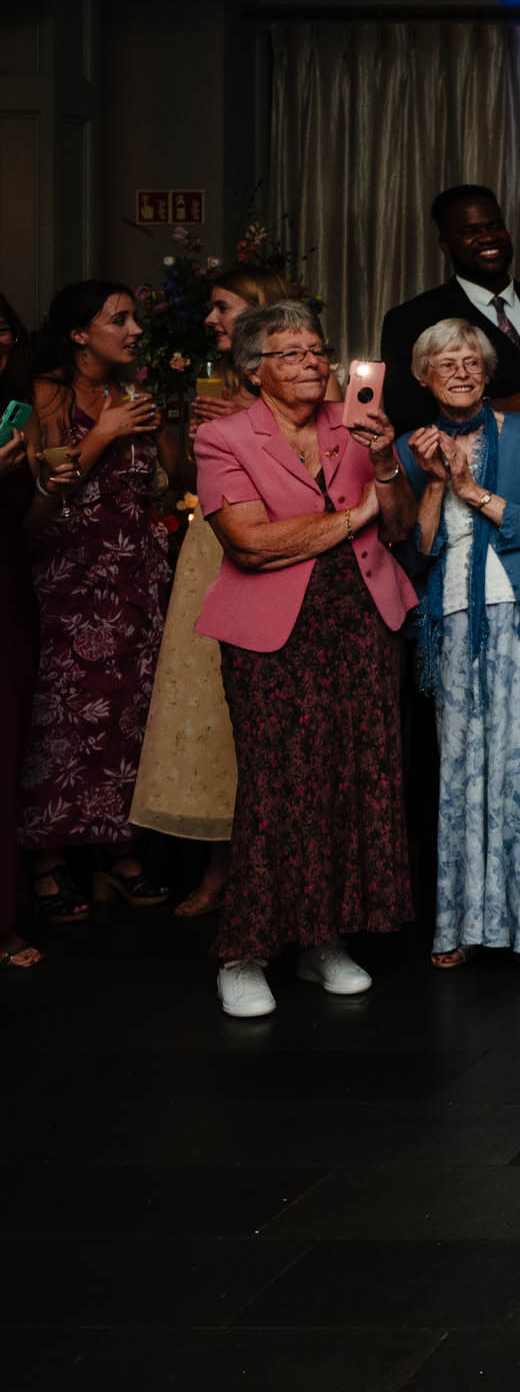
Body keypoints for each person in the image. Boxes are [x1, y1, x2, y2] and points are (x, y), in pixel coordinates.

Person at [192, 300, 419, 1017]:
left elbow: (405, 526)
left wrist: (386, 462)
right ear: (253, 368)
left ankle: (323, 942)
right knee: (277, 786)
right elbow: (251, 543)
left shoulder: (352, 424)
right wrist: (358, 516)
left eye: (319, 350)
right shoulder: (222, 436)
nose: (313, 363)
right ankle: (244, 952)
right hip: (272, 634)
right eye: (291, 352)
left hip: (361, 624)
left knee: (356, 781)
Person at [395, 319, 520, 968]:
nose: (462, 370)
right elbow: (413, 552)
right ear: (423, 375)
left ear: (488, 370)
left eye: (472, 359)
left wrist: (475, 491)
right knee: (461, 773)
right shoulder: (406, 446)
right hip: (452, 619)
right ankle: (464, 923)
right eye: (446, 361)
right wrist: (438, 481)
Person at [130, 266, 302, 918]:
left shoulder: (298, 383)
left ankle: (280, 868)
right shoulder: (213, 380)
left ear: (257, 314)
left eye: (221, 307)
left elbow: (314, 470)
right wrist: (170, 435)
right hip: (210, 549)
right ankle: (220, 866)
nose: (210, 320)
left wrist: (250, 425)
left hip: (271, 549)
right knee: (212, 710)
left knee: (268, 715)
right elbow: (188, 479)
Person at [20, 281, 187, 919]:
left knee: (130, 719)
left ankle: (119, 854)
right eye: (119, 320)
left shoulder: (134, 395)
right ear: (79, 334)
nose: (136, 330)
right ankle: (50, 860)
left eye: (135, 318)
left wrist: (165, 426)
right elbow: (38, 507)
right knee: (61, 723)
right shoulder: (45, 397)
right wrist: (103, 432)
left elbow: (176, 484)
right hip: (69, 581)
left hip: (137, 581)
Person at [380, 185, 520, 438]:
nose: (488, 237)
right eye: (470, 231)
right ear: (445, 244)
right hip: (472, 469)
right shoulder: (410, 319)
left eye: (495, 226)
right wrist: (492, 409)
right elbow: (405, 413)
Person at [0, 294, 49, 968]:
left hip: (6, 582)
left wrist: (46, 484)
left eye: (4, 335)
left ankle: (3, 921)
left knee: (7, 747)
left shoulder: (19, 413)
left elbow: (31, 525)